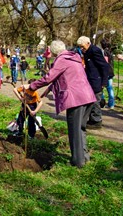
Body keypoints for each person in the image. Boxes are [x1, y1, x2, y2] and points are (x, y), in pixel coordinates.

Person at [25, 40, 96, 168]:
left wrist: (31, 86)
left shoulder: (61, 60)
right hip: (87, 96)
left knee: (74, 130)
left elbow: (49, 77)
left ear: (53, 51)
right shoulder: (73, 58)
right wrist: (49, 89)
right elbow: (66, 76)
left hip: (76, 98)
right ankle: (84, 157)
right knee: (80, 128)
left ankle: (77, 162)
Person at [77, 36, 109, 129]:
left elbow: (104, 66)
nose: (81, 49)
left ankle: (96, 121)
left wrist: (104, 82)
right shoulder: (87, 51)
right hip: (90, 79)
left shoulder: (95, 51)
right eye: (80, 47)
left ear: (88, 43)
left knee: (95, 101)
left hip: (97, 80)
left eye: (82, 47)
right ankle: (92, 119)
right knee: (91, 100)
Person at [100, 39, 115, 109]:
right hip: (111, 72)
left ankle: (102, 103)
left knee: (101, 88)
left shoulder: (103, 52)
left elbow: (104, 62)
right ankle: (111, 104)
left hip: (105, 72)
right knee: (110, 88)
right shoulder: (110, 52)